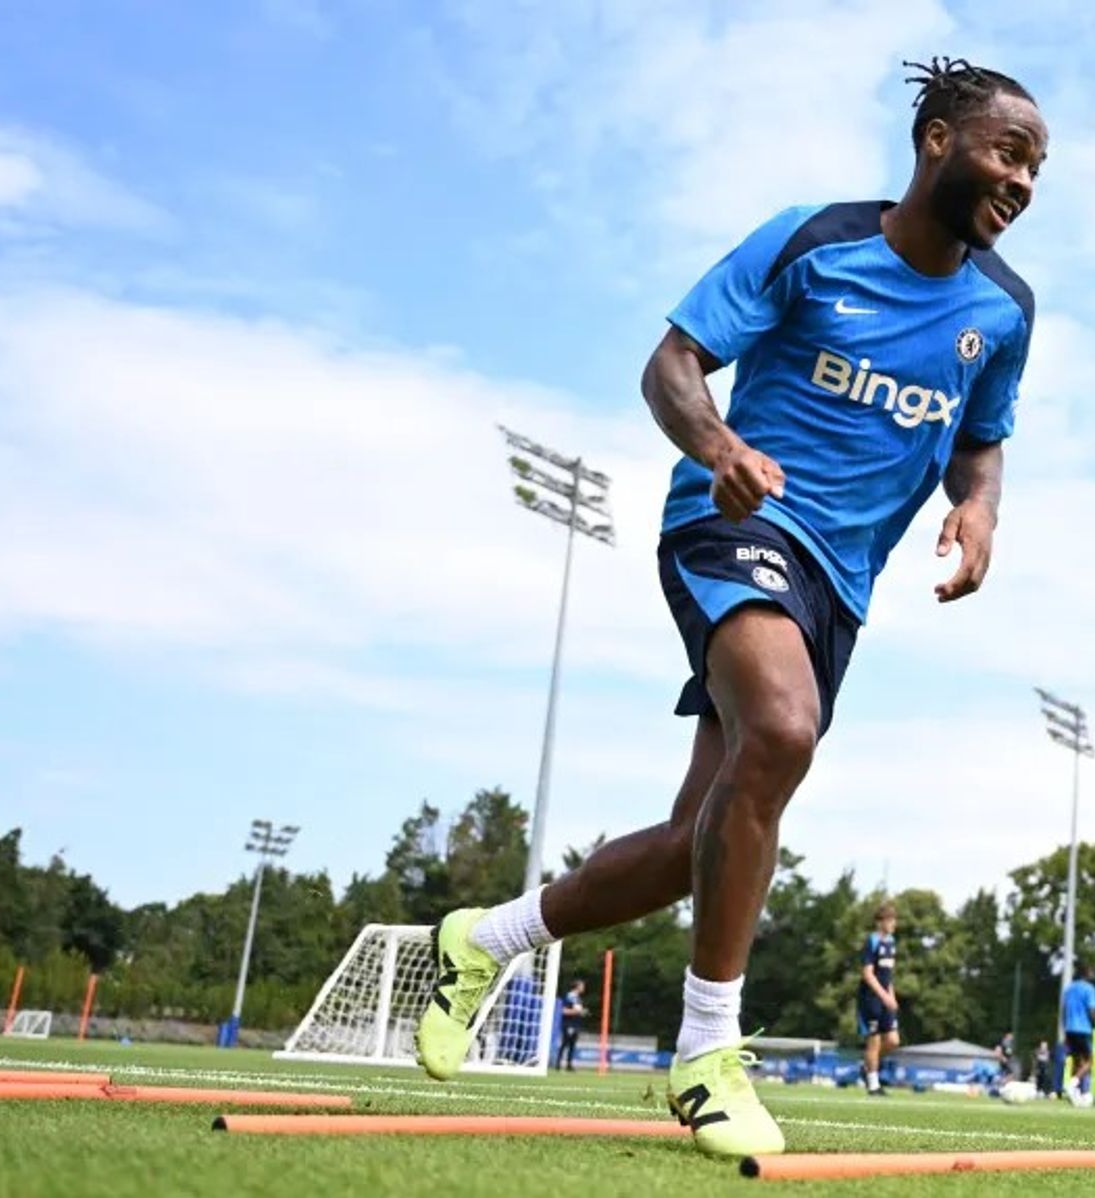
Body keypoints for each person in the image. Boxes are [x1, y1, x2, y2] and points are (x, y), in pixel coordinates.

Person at [408, 56, 1045, 1160]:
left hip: (837, 587)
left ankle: (486, 938)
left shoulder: (1003, 312)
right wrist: (720, 446)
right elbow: (670, 364)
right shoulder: (811, 241)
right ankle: (706, 1055)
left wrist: (978, 513)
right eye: (1006, 151)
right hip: (730, 526)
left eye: (1037, 167)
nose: (1022, 180)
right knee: (783, 733)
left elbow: (981, 443)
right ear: (935, 139)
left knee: (689, 846)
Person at [857, 903, 900, 1096]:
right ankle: (873, 1085)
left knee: (892, 1040)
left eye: (894, 920)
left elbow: (887, 976)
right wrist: (883, 996)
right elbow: (868, 973)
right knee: (873, 1042)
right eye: (889, 920)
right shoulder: (871, 941)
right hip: (870, 999)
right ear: (879, 922)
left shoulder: (891, 942)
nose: (893, 924)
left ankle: (866, 1064)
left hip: (885, 999)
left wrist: (891, 996)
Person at [1062, 962, 1095, 1104]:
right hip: (1082, 1029)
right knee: (1091, 1061)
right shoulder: (1090, 989)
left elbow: (1064, 1010)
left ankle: (1075, 1095)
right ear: (1086, 973)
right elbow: (1092, 1010)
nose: (1094, 975)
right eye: (1092, 972)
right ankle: (1072, 1083)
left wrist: (1064, 1030)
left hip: (1069, 1028)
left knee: (1077, 1062)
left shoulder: (1069, 988)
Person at [555, 978, 587, 1071]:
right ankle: (558, 1064)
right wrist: (577, 1012)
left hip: (576, 1024)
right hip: (569, 1024)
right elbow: (564, 1011)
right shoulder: (569, 996)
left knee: (572, 1045)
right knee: (565, 1044)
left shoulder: (578, 998)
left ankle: (569, 1064)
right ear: (577, 987)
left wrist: (582, 1012)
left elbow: (577, 1010)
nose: (583, 988)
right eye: (582, 986)